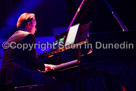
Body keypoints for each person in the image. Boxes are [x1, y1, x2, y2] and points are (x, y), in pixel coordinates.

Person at [0, 13, 64, 91]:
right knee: (53, 82)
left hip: (7, 79)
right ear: (29, 24)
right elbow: (33, 61)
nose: (36, 29)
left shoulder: (11, 38)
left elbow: (22, 60)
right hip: (20, 76)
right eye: (35, 26)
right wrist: (44, 67)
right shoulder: (28, 36)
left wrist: (43, 66)